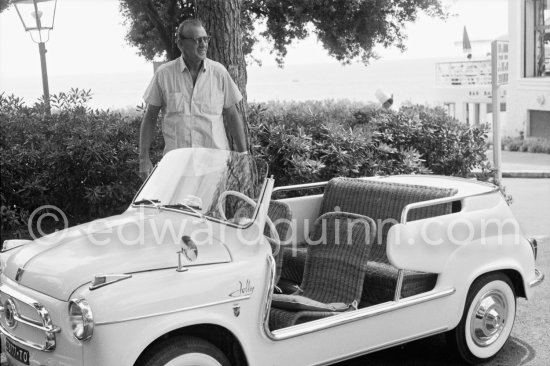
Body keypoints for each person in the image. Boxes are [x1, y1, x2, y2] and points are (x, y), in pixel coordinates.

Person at [139, 19, 247, 179]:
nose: (203, 44)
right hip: (177, 168)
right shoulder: (164, 74)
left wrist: (243, 156)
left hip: (214, 168)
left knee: (215, 206)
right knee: (177, 206)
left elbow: (232, 115)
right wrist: (143, 159)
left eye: (205, 39)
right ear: (180, 43)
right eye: (197, 40)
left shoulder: (219, 73)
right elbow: (150, 117)